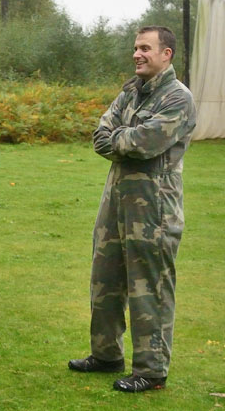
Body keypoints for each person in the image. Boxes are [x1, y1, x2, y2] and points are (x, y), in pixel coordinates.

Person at [68, 26, 196, 392]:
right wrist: (121, 137)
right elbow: (100, 136)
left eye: (145, 48)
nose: (137, 55)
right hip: (115, 202)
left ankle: (151, 370)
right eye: (135, 48)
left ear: (166, 54)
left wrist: (120, 137)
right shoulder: (131, 91)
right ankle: (106, 354)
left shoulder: (177, 98)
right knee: (105, 279)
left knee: (149, 286)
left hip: (154, 208)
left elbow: (145, 142)